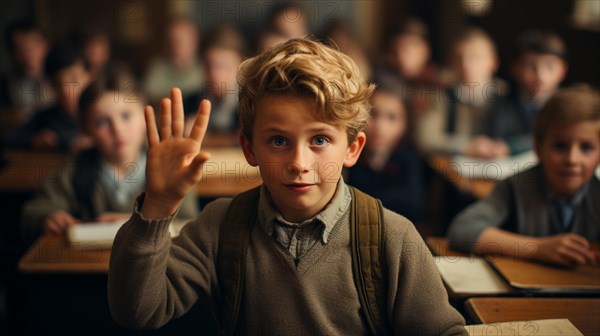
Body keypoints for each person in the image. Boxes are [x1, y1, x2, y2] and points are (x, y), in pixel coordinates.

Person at [108, 38, 467, 335]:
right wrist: (157, 204)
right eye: (278, 141)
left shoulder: (393, 237)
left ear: (353, 149)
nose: (299, 163)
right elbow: (138, 311)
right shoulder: (220, 226)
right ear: (249, 148)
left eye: (320, 140)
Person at [20, 77, 198, 241]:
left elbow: (191, 224)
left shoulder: (170, 168)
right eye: (102, 122)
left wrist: (137, 224)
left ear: (146, 118)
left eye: (126, 116)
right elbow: (34, 211)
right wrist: (50, 217)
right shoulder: (75, 169)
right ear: (86, 129)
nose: (117, 129)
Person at [448, 85, 600, 267]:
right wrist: (537, 248)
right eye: (560, 146)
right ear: (538, 147)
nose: (572, 159)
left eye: (586, 148)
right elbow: (462, 230)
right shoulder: (515, 187)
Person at [416, 27, 506, 156]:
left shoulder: (507, 94)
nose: (466, 64)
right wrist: (467, 146)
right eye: (459, 58)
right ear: (451, 63)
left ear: (494, 63)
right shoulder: (439, 95)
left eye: (475, 57)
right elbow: (425, 139)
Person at [481, 30, 568, 156]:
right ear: (515, 68)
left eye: (550, 66)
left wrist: (510, 147)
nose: (540, 76)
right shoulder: (501, 104)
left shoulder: (568, 106)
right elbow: (492, 140)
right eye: (531, 66)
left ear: (563, 70)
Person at [347, 83, 425, 222]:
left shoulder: (409, 159)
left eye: (392, 117)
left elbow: (411, 205)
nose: (380, 126)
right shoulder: (350, 155)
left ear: (404, 125)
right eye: (374, 114)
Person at [4, 42, 93, 152]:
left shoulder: (103, 112)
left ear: (90, 77)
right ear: (50, 85)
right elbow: (10, 138)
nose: (66, 90)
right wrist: (33, 139)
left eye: (74, 80)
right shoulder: (47, 117)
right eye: (57, 84)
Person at [183, 25, 244, 142]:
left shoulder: (251, 104)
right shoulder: (190, 103)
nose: (214, 74)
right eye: (208, 65)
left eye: (223, 66)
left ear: (240, 64)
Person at [0, 18, 54, 133]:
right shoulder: (6, 83)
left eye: (32, 47)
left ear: (46, 46)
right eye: (20, 49)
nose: (27, 55)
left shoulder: (61, 78)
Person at [144, 17, 204, 104]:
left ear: (194, 41)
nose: (174, 47)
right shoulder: (157, 67)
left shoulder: (205, 67)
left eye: (179, 41)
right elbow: (149, 95)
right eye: (170, 41)